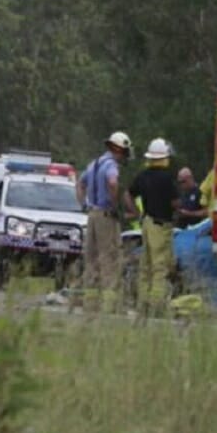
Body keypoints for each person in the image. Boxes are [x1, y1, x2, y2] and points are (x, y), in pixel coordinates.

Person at [76, 131, 136, 314]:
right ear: (119, 149)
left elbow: (80, 184)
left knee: (92, 260)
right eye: (125, 151)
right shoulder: (111, 165)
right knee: (110, 260)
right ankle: (110, 305)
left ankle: (90, 303)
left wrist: (84, 205)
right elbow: (112, 182)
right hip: (106, 216)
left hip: (92, 215)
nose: (126, 155)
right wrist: (114, 204)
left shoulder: (94, 164)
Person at [126, 139, 182, 315]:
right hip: (161, 225)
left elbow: (127, 194)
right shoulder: (167, 178)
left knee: (145, 265)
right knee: (160, 267)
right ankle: (156, 306)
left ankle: (142, 303)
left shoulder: (143, 175)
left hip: (147, 223)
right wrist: (180, 209)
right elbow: (175, 202)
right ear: (165, 157)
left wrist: (136, 213)